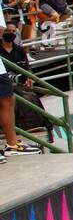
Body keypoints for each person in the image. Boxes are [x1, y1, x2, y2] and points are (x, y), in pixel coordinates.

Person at [0, 26, 41, 158]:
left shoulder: (19, 49)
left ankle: (12, 145)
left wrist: (27, 77)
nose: (10, 34)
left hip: (3, 72)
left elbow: (1, 28)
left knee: (9, 99)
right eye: (8, 32)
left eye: (13, 31)